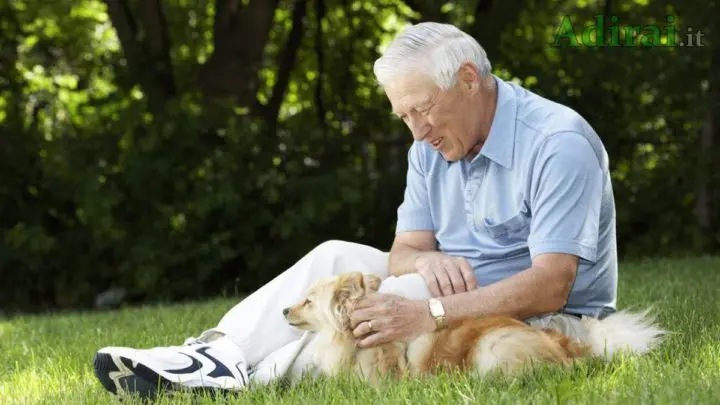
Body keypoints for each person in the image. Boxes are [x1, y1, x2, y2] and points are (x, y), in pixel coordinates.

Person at [92, 22, 617, 398]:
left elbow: (554, 285)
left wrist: (425, 309)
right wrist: (427, 263)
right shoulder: (428, 148)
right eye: (404, 115)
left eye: (424, 109)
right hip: (453, 290)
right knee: (334, 255)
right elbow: (406, 250)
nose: (417, 131)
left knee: (390, 299)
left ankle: (232, 380)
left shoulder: (557, 142)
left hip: (547, 317)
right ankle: (215, 354)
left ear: (467, 78)